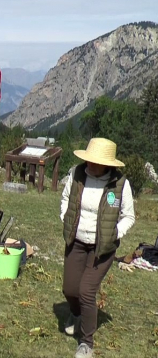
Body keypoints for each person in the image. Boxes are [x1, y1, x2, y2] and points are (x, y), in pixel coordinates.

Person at [60, 137, 134, 358]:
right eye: (89, 160)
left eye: (96, 161)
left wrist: (115, 234)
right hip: (77, 241)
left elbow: (128, 216)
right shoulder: (77, 174)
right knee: (70, 289)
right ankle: (75, 314)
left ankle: (86, 343)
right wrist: (65, 217)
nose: (90, 164)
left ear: (107, 164)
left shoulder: (120, 184)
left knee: (86, 291)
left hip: (102, 248)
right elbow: (65, 198)